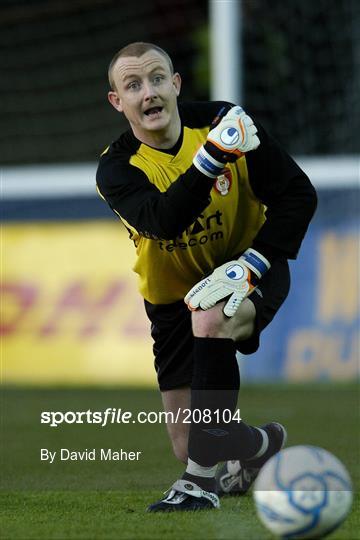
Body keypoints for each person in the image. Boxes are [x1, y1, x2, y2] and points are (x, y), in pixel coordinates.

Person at [96, 42, 317, 512]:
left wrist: (257, 261)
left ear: (176, 85)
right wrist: (213, 157)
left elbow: (298, 194)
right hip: (170, 297)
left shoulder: (222, 123)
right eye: (132, 85)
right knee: (188, 438)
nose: (148, 93)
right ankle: (261, 446)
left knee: (211, 313)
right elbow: (162, 221)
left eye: (157, 79)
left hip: (249, 268)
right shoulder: (116, 169)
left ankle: (198, 483)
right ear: (118, 102)